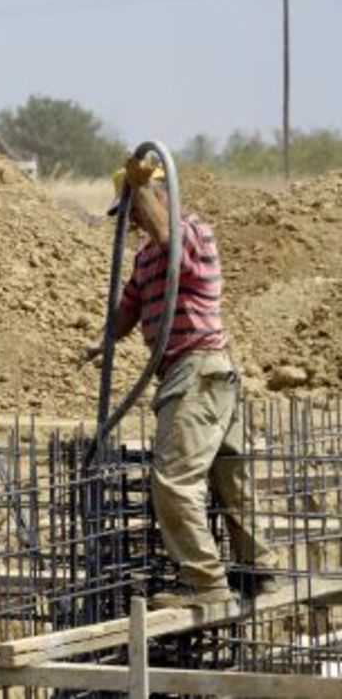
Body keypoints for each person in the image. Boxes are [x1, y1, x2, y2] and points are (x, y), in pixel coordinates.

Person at [81, 156, 279, 609]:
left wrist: (139, 187)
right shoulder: (146, 255)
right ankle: (260, 571)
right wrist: (101, 340)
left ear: (155, 195)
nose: (130, 219)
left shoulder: (191, 232)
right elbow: (128, 308)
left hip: (198, 370)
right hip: (198, 374)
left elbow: (167, 235)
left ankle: (206, 585)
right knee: (231, 481)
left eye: (133, 207)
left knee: (173, 481)